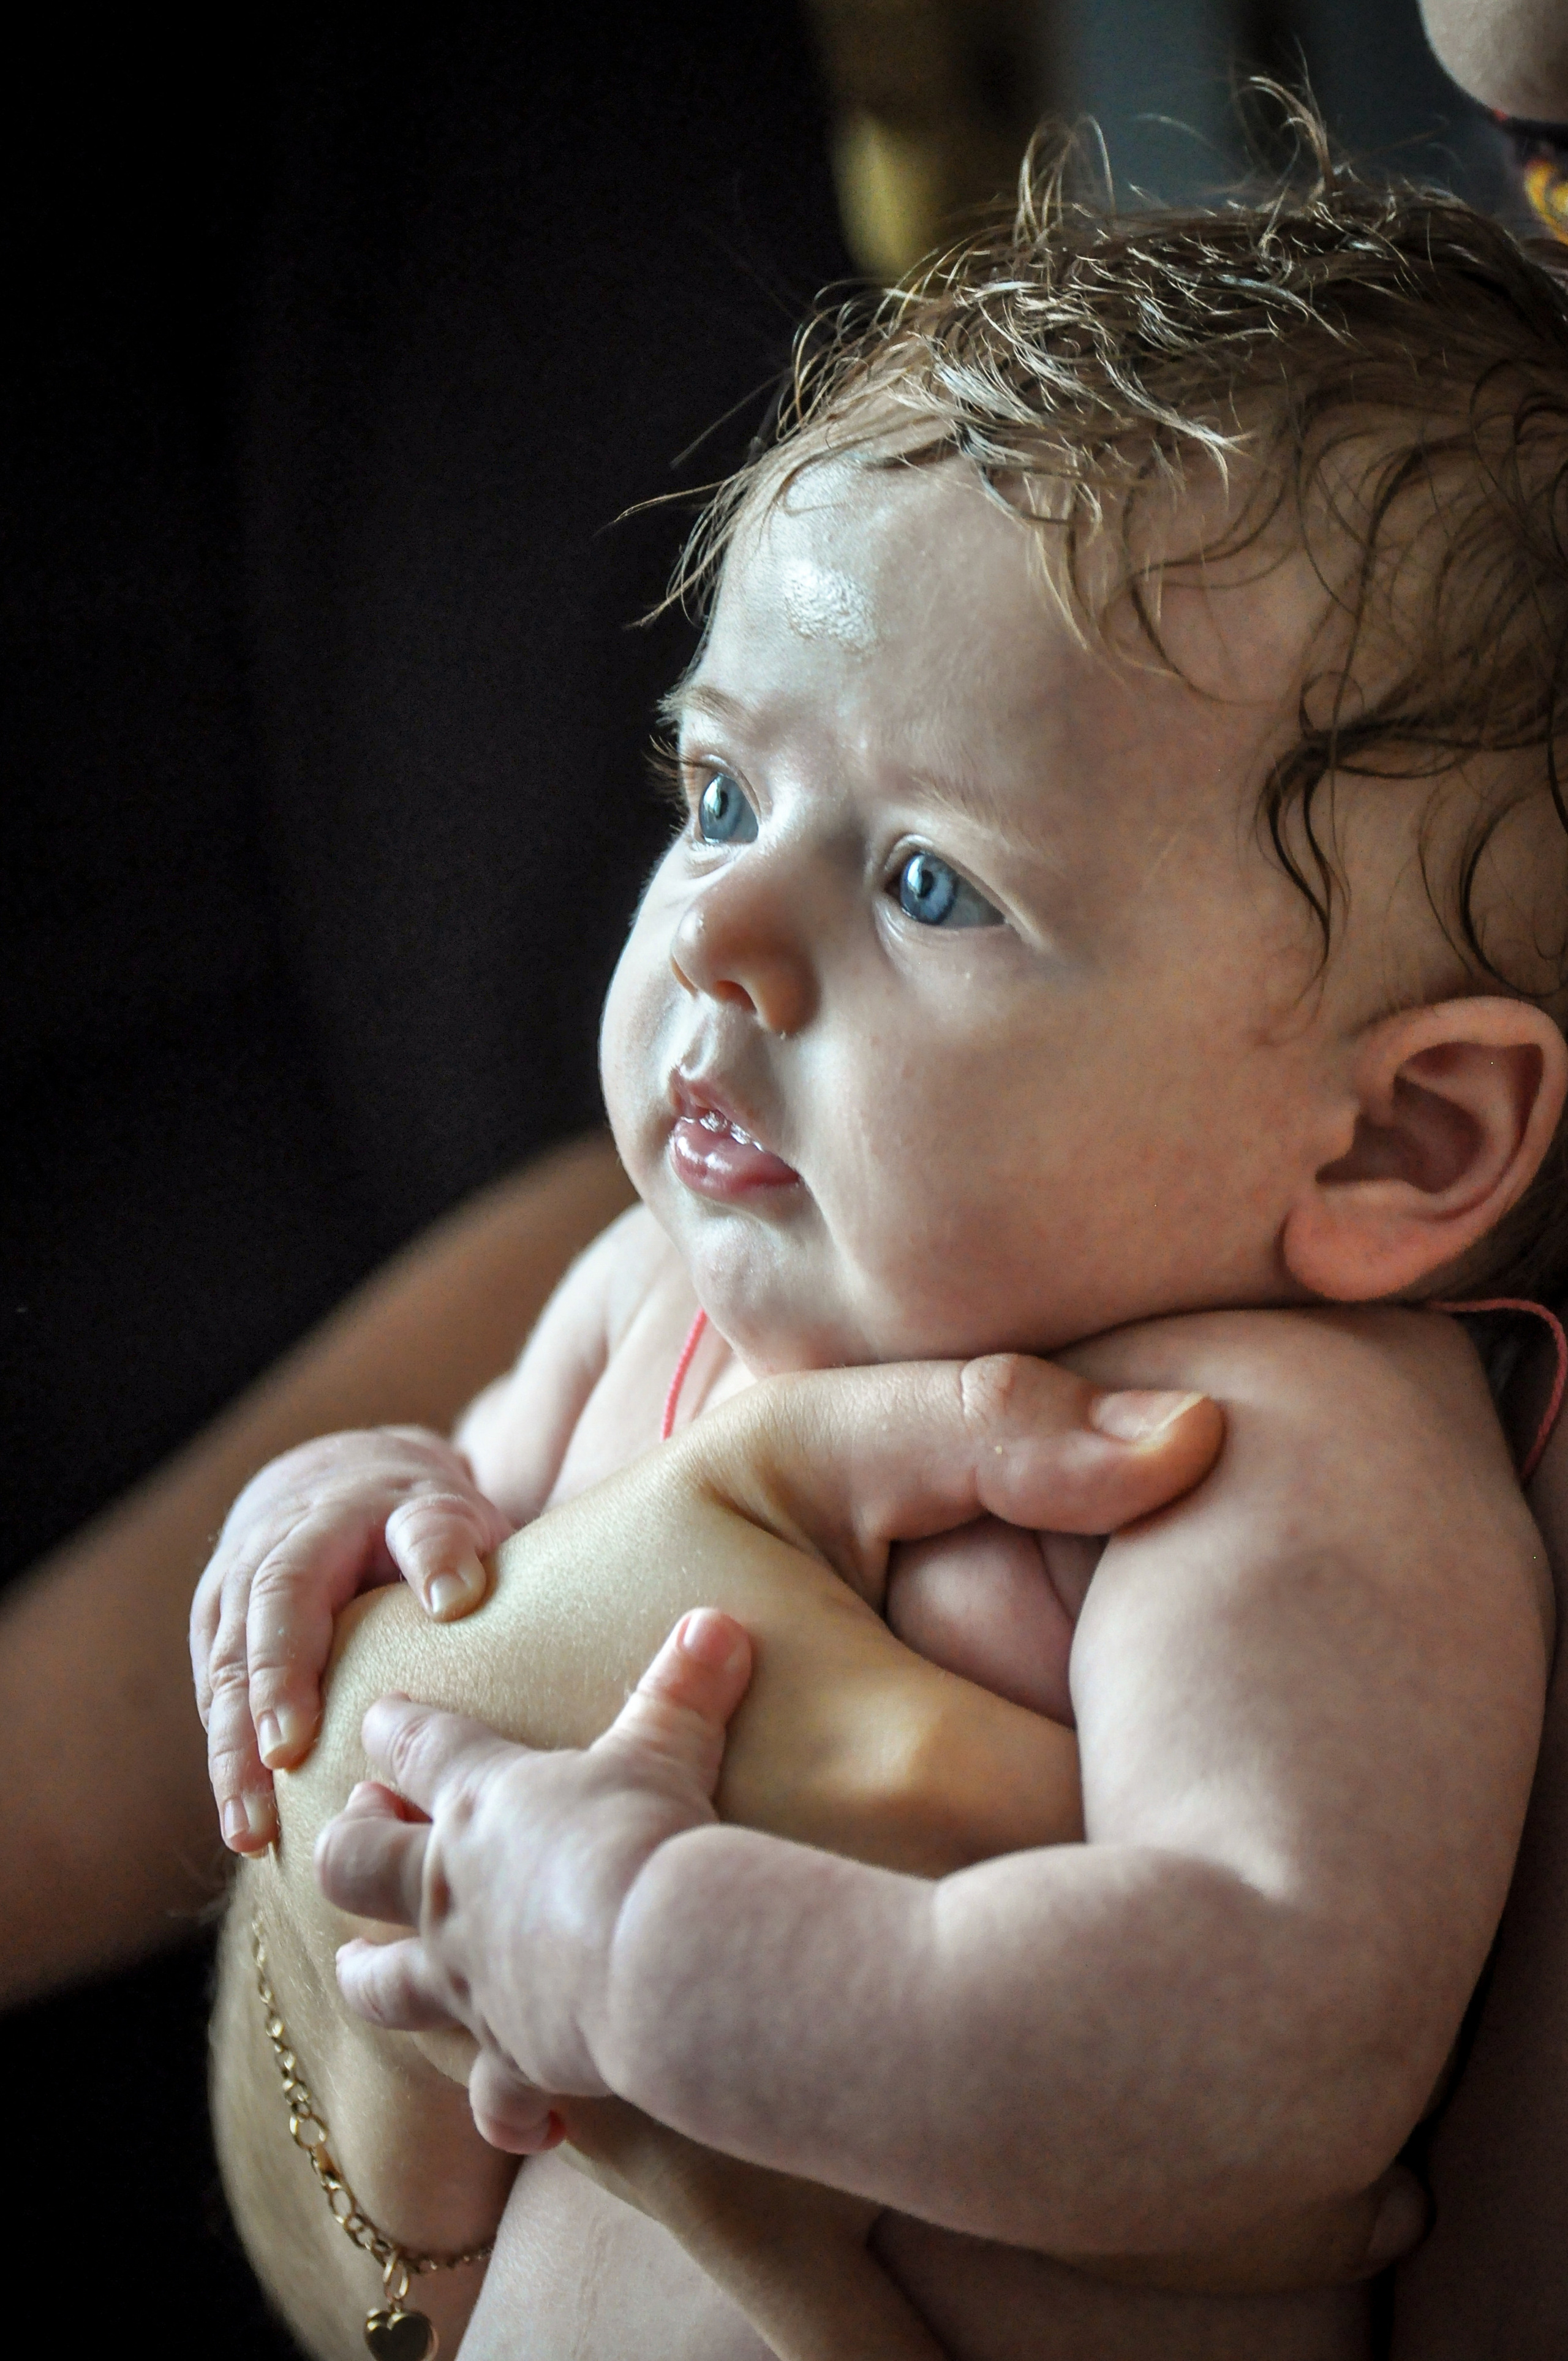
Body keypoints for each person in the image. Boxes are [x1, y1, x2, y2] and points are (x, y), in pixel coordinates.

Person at [202, 123, 1568, 2359]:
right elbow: (449, 1566)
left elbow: (1269, 2042)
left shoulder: (1259, 1455)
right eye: (722, 794)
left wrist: (649, 1956)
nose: (721, 931)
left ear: (1401, 1137)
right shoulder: (651, 1284)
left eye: (933, 882)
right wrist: (340, 1520)